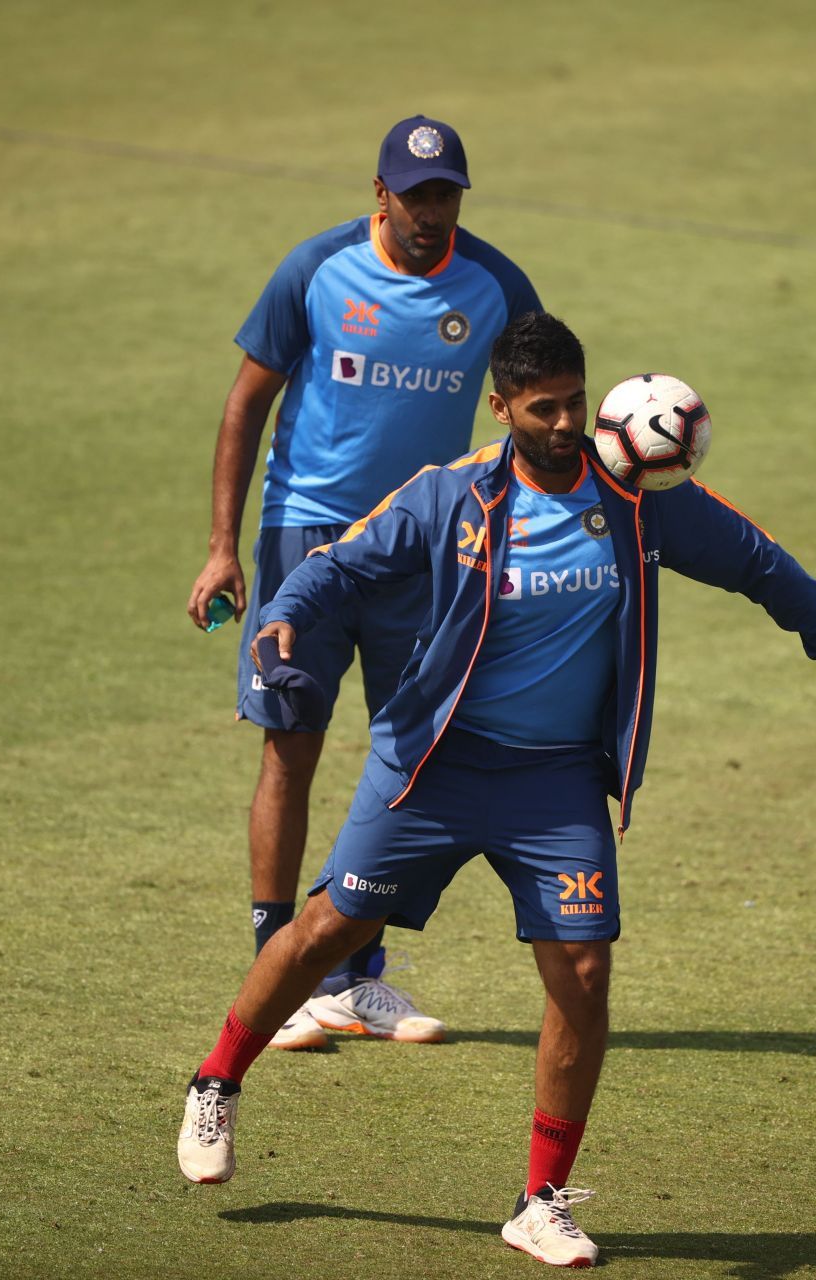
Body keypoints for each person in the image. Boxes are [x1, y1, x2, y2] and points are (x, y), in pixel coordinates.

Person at [176, 313, 816, 1267]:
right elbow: (344, 562)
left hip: (555, 786)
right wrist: (282, 614)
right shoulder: (453, 496)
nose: (566, 424)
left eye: (576, 401)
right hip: (432, 766)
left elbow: (763, 565)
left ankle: (542, 1199)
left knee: (586, 974)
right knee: (328, 931)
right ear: (504, 407)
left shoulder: (642, 499)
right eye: (544, 408)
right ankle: (217, 1080)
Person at [185, 115, 543, 1050]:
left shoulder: (498, 287)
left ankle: (355, 977)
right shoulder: (315, 270)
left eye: (446, 195)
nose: (432, 212)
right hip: (303, 539)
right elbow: (244, 405)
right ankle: (282, 969)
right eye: (416, 195)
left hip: (424, 551)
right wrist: (224, 546)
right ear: (379, 194)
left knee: (408, 757)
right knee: (291, 746)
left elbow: (535, 416)